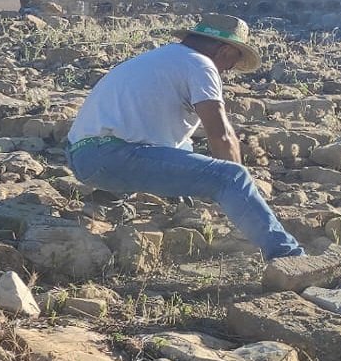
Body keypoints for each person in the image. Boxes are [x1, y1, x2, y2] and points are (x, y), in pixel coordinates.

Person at [66, 13, 305, 261]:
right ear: (224, 50)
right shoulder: (201, 64)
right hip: (111, 156)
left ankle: (130, 200)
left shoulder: (161, 59)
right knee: (231, 177)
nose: (230, 69)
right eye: (233, 61)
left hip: (81, 155)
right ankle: (288, 256)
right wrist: (239, 193)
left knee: (185, 147)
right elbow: (221, 135)